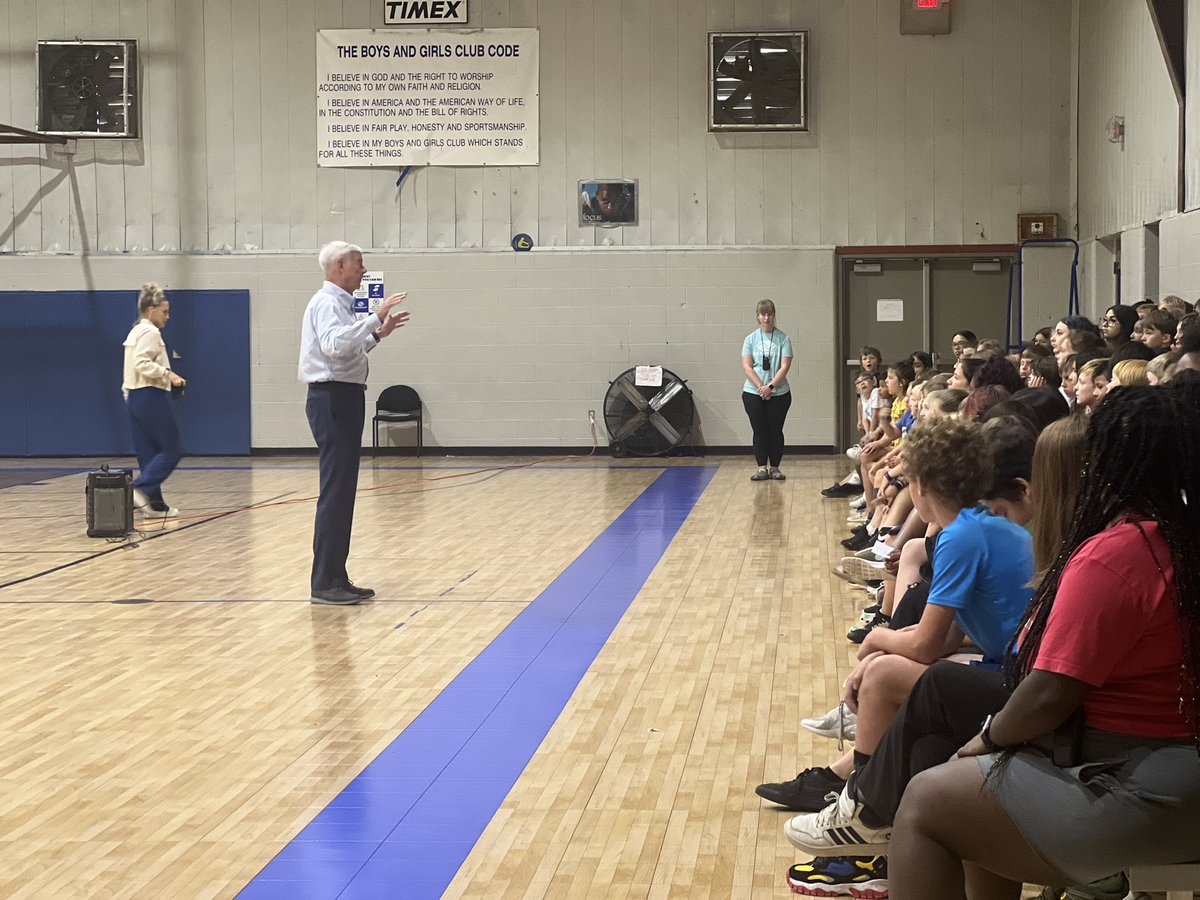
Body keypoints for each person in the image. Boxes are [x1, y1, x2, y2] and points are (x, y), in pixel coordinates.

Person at [887, 382, 1200, 900]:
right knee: (974, 798)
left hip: (1143, 787)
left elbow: (1053, 691)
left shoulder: (1118, 551)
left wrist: (987, 739)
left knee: (926, 801)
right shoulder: (1176, 532)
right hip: (1170, 770)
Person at [299, 241, 409, 605]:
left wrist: (377, 335)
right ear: (339, 266)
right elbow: (333, 346)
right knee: (335, 491)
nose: (363, 270)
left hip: (343, 396)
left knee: (344, 491)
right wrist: (374, 318)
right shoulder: (327, 302)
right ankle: (323, 582)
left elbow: (347, 351)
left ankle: (336, 575)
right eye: (358, 264)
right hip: (331, 400)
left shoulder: (341, 304)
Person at [123, 283, 187, 518]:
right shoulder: (150, 332)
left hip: (134, 397)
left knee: (149, 454)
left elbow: (130, 370)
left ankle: (155, 503)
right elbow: (142, 363)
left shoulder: (135, 331)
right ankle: (138, 488)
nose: (167, 317)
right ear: (151, 309)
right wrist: (168, 374)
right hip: (150, 394)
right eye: (164, 311)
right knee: (172, 449)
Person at [741, 299, 793, 481]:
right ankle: (761, 467)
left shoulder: (783, 339)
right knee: (759, 430)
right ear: (758, 317)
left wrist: (770, 387)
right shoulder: (750, 339)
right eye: (763, 314)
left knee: (775, 430)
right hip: (753, 393)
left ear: (774, 316)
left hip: (779, 393)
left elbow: (784, 366)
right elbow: (747, 366)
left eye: (770, 314)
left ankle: (775, 467)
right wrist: (760, 387)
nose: (767, 318)